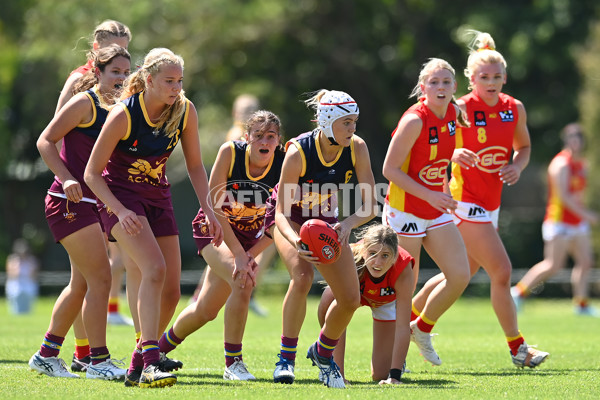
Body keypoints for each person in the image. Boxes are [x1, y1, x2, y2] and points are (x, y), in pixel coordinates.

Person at [84, 47, 223, 389]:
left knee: (172, 291)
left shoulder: (185, 110)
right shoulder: (123, 115)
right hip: (121, 199)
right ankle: (149, 362)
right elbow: (91, 173)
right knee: (154, 269)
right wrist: (119, 210)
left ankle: (136, 363)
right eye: (169, 81)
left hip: (158, 198)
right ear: (148, 80)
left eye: (180, 80)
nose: (176, 87)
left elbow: (194, 165)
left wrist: (209, 208)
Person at [411, 31, 550, 368]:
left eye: (497, 76)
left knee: (458, 273)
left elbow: (525, 147)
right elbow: (433, 142)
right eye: (484, 77)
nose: (491, 82)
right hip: (462, 199)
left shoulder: (513, 108)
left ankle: (408, 319)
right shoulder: (458, 108)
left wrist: (517, 165)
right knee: (501, 271)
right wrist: (454, 151)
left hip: (491, 203)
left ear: (505, 77)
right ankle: (518, 347)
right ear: (470, 80)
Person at [29, 44, 131, 380]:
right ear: (97, 73)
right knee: (102, 277)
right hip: (69, 201)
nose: (120, 78)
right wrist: (66, 177)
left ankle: (46, 354)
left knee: (82, 284)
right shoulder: (85, 102)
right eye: (114, 71)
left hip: (95, 204)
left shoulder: (124, 109)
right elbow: (45, 140)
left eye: (125, 72)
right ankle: (98, 360)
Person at [158, 110, 285, 381]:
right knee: (244, 279)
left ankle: (156, 351)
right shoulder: (231, 152)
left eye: (271, 136)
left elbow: (280, 221)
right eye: (258, 135)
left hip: (250, 239)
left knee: (206, 310)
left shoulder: (284, 163)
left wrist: (249, 253)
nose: (264, 141)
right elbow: (214, 206)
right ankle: (233, 364)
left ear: (278, 141)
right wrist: (240, 256)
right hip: (214, 229)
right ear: (246, 137)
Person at [271, 89, 377, 389]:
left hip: (328, 224)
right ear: (328, 121)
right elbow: (279, 213)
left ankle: (322, 351)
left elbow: (370, 205)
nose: (352, 128)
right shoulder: (298, 152)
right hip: (291, 223)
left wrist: (347, 224)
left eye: (354, 121)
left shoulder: (356, 147)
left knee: (351, 299)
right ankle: (285, 359)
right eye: (346, 122)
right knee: (302, 276)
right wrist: (297, 242)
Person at [54, 20, 134, 374]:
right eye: (112, 49)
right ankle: (86, 354)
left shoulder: (120, 84)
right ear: (95, 51)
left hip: (99, 194)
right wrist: (64, 178)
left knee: (87, 278)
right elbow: (54, 135)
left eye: (125, 48)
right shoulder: (81, 83)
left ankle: (81, 353)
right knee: (92, 276)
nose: (119, 57)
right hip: (74, 194)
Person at [381, 58, 471, 367]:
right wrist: (432, 194)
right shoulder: (414, 120)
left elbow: (434, 154)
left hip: (435, 207)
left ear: (454, 87)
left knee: (460, 275)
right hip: (405, 210)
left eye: (446, 82)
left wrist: (455, 154)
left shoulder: (453, 113)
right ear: (423, 88)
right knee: (406, 286)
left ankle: (421, 328)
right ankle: (397, 357)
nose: (441, 87)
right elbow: (389, 169)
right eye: (434, 82)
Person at [191, 93, 272, 317]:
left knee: (268, 239)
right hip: (232, 215)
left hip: (245, 217)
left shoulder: (264, 141)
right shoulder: (240, 138)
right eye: (245, 111)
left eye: (253, 109)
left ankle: (200, 295)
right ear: (236, 114)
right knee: (235, 266)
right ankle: (246, 293)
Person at [512, 122, 599, 316]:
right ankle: (517, 293)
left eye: (578, 140)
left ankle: (581, 305)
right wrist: (588, 215)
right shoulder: (560, 164)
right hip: (558, 221)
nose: (575, 143)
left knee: (585, 261)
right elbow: (564, 197)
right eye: (572, 140)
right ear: (567, 142)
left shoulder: (581, 164)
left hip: (577, 222)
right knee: (553, 264)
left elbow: (579, 194)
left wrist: (583, 214)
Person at [317, 224, 413, 385]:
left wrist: (394, 376)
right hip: (354, 295)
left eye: (385, 255)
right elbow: (335, 314)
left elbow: (403, 326)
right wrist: (338, 374)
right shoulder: (350, 257)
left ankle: (397, 361)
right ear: (363, 251)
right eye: (372, 253)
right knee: (328, 300)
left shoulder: (403, 267)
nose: (377, 262)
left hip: (385, 303)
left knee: (380, 374)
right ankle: (331, 365)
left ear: (395, 256)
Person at [5, 238, 39, 315]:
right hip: (16, 284)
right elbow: (11, 274)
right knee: (16, 307)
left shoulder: (31, 260)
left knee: (28, 307)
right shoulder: (12, 260)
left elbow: (34, 275)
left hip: (28, 284)